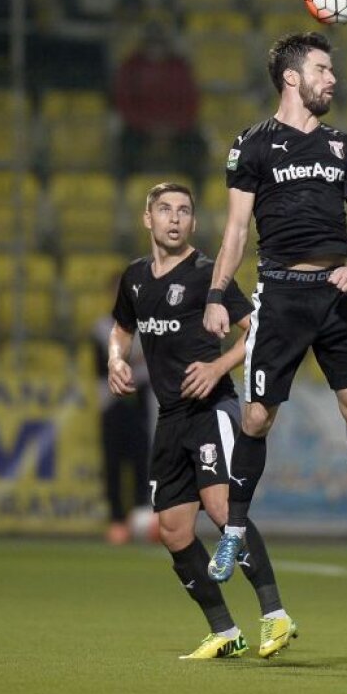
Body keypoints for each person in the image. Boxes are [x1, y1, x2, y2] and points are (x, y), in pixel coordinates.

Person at [202, 31, 347, 579]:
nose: (333, 79)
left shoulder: (342, 146)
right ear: (292, 77)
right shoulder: (251, 145)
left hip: (338, 294)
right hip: (279, 295)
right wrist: (215, 295)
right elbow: (234, 229)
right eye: (323, 69)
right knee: (256, 419)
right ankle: (233, 534)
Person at [109, 181, 297, 660]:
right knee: (173, 531)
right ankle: (224, 631)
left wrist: (218, 365)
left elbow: (257, 331)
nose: (175, 218)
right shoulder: (133, 278)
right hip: (170, 418)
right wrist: (117, 358)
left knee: (220, 509)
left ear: (193, 222)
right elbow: (122, 327)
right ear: (147, 219)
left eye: (184, 211)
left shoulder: (209, 274)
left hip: (211, 409)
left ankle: (275, 614)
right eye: (165, 210)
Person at [92, 275, 151, 545]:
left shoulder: (147, 325)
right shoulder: (103, 327)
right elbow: (107, 363)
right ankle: (117, 521)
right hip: (112, 402)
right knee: (113, 464)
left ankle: (142, 519)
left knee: (142, 461)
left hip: (140, 401)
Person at [113, 21, 206, 186]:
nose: (155, 48)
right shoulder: (131, 66)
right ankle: (124, 191)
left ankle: (197, 191)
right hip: (140, 128)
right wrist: (148, 126)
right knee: (123, 147)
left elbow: (191, 102)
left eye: (159, 43)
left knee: (197, 147)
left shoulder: (180, 67)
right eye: (151, 43)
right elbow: (123, 102)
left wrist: (173, 127)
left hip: (177, 128)